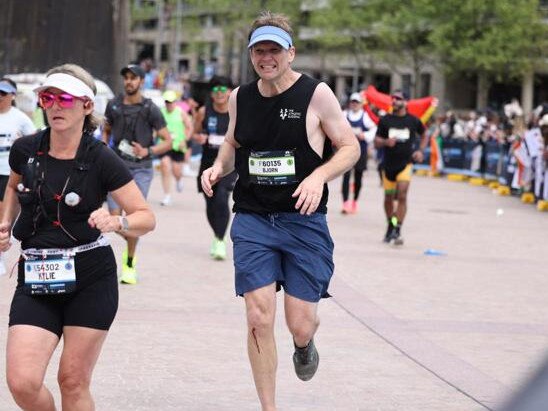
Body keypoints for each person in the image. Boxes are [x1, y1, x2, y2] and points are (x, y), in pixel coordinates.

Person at [201, 12, 359, 411]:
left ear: (291, 52)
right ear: (251, 54)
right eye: (259, 50)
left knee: (299, 322)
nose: (266, 57)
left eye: (274, 49)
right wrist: (219, 167)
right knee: (257, 317)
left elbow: (350, 147)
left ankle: (304, 344)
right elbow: (234, 143)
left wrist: (319, 176)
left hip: (303, 222)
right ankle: (268, 407)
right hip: (253, 218)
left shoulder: (317, 95)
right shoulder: (241, 96)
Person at [0, 64, 155, 410]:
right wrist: (5, 223)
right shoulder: (26, 149)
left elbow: (147, 217)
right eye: (47, 98)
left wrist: (118, 222)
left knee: (72, 381)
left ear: (86, 106)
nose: (55, 106)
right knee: (22, 382)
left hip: (90, 277)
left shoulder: (102, 158)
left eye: (65, 99)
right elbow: (12, 185)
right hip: (37, 275)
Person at [102, 64, 172, 285]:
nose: (129, 82)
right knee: (115, 218)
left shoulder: (151, 109)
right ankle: (134, 237)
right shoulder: (113, 105)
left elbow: (168, 141)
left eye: (134, 78)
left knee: (133, 218)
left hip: (141, 168)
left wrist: (148, 151)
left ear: (142, 82)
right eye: (126, 78)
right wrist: (103, 150)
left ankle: (129, 263)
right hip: (116, 167)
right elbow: (106, 129)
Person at [374, 90, 427, 245]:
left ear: (406, 102)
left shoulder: (413, 121)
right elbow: (377, 141)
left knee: (402, 195)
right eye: (393, 98)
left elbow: (425, 134)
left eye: (398, 98)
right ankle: (391, 224)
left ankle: (398, 228)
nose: (395, 101)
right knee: (388, 198)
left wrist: (420, 151)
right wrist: (385, 142)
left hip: (405, 164)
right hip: (388, 165)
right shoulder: (385, 120)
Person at [193, 76, 238, 260]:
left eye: (223, 89)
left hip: (229, 165)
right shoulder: (204, 112)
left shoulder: (237, 111)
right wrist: (199, 138)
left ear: (229, 91)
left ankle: (220, 240)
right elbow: (194, 133)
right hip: (207, 164)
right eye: (215, 90)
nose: (219, 93)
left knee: (221, 198)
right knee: (210, 203)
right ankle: (217, 234)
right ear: (211, 93)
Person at [0, 78, 36, 275]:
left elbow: (35, 142)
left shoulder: (20, 118)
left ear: (12, 96)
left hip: (9, 172)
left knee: (2, 214)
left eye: (4, 93)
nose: (0, 97)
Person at [340, 92, 376, 214]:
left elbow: (374, 128)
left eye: (357, 102)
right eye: (353, 102)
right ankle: (345, 203)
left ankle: (354, 201)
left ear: (361, 104)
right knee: (346, 177)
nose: (354, 104)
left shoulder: (365, 116)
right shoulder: (344, 115)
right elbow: (336, 126)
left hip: (361, 151)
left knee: (358, 178)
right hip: (346, 151)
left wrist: (364, 135)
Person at [159, 90, 193, 206]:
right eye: (167, 101)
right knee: (164, 165)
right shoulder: (161, 113)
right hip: (165, 145)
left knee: (176, 170)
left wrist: (185, 140)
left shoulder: (181, 113)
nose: (169, 104)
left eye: (171, 101)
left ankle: (179, 180)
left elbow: (189, 127)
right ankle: (167, 196)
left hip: (178, 146)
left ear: (175, 102)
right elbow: (156, 129)